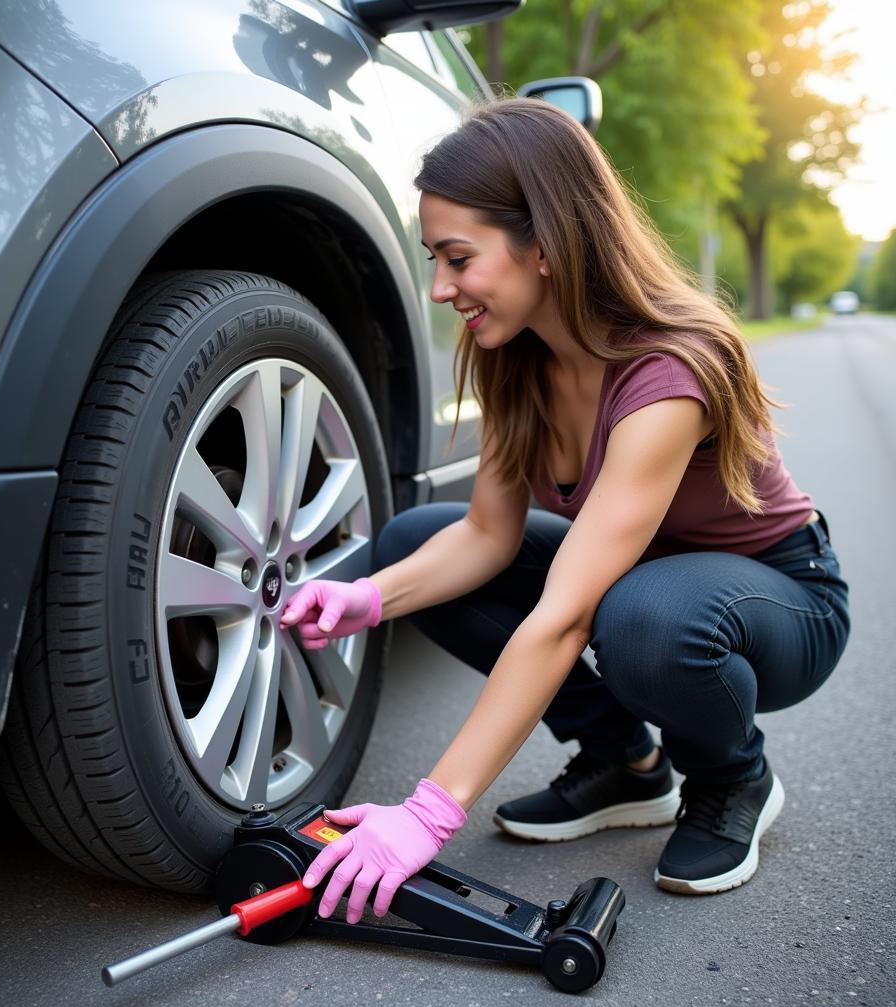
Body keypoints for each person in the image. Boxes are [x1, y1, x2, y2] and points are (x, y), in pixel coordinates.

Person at [278, 98, 850, 924]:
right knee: (412, 544)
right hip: (638, 587)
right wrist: (369, 599)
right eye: (435, 260)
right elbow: (485, 535)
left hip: (777, 599)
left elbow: (566, 615)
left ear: (542, 243)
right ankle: (624, 763)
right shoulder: (517, 357)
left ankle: (732, 778)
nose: (441, 288)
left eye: (458, 258)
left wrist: (428, 815)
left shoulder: (670, 370)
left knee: (640, 618)